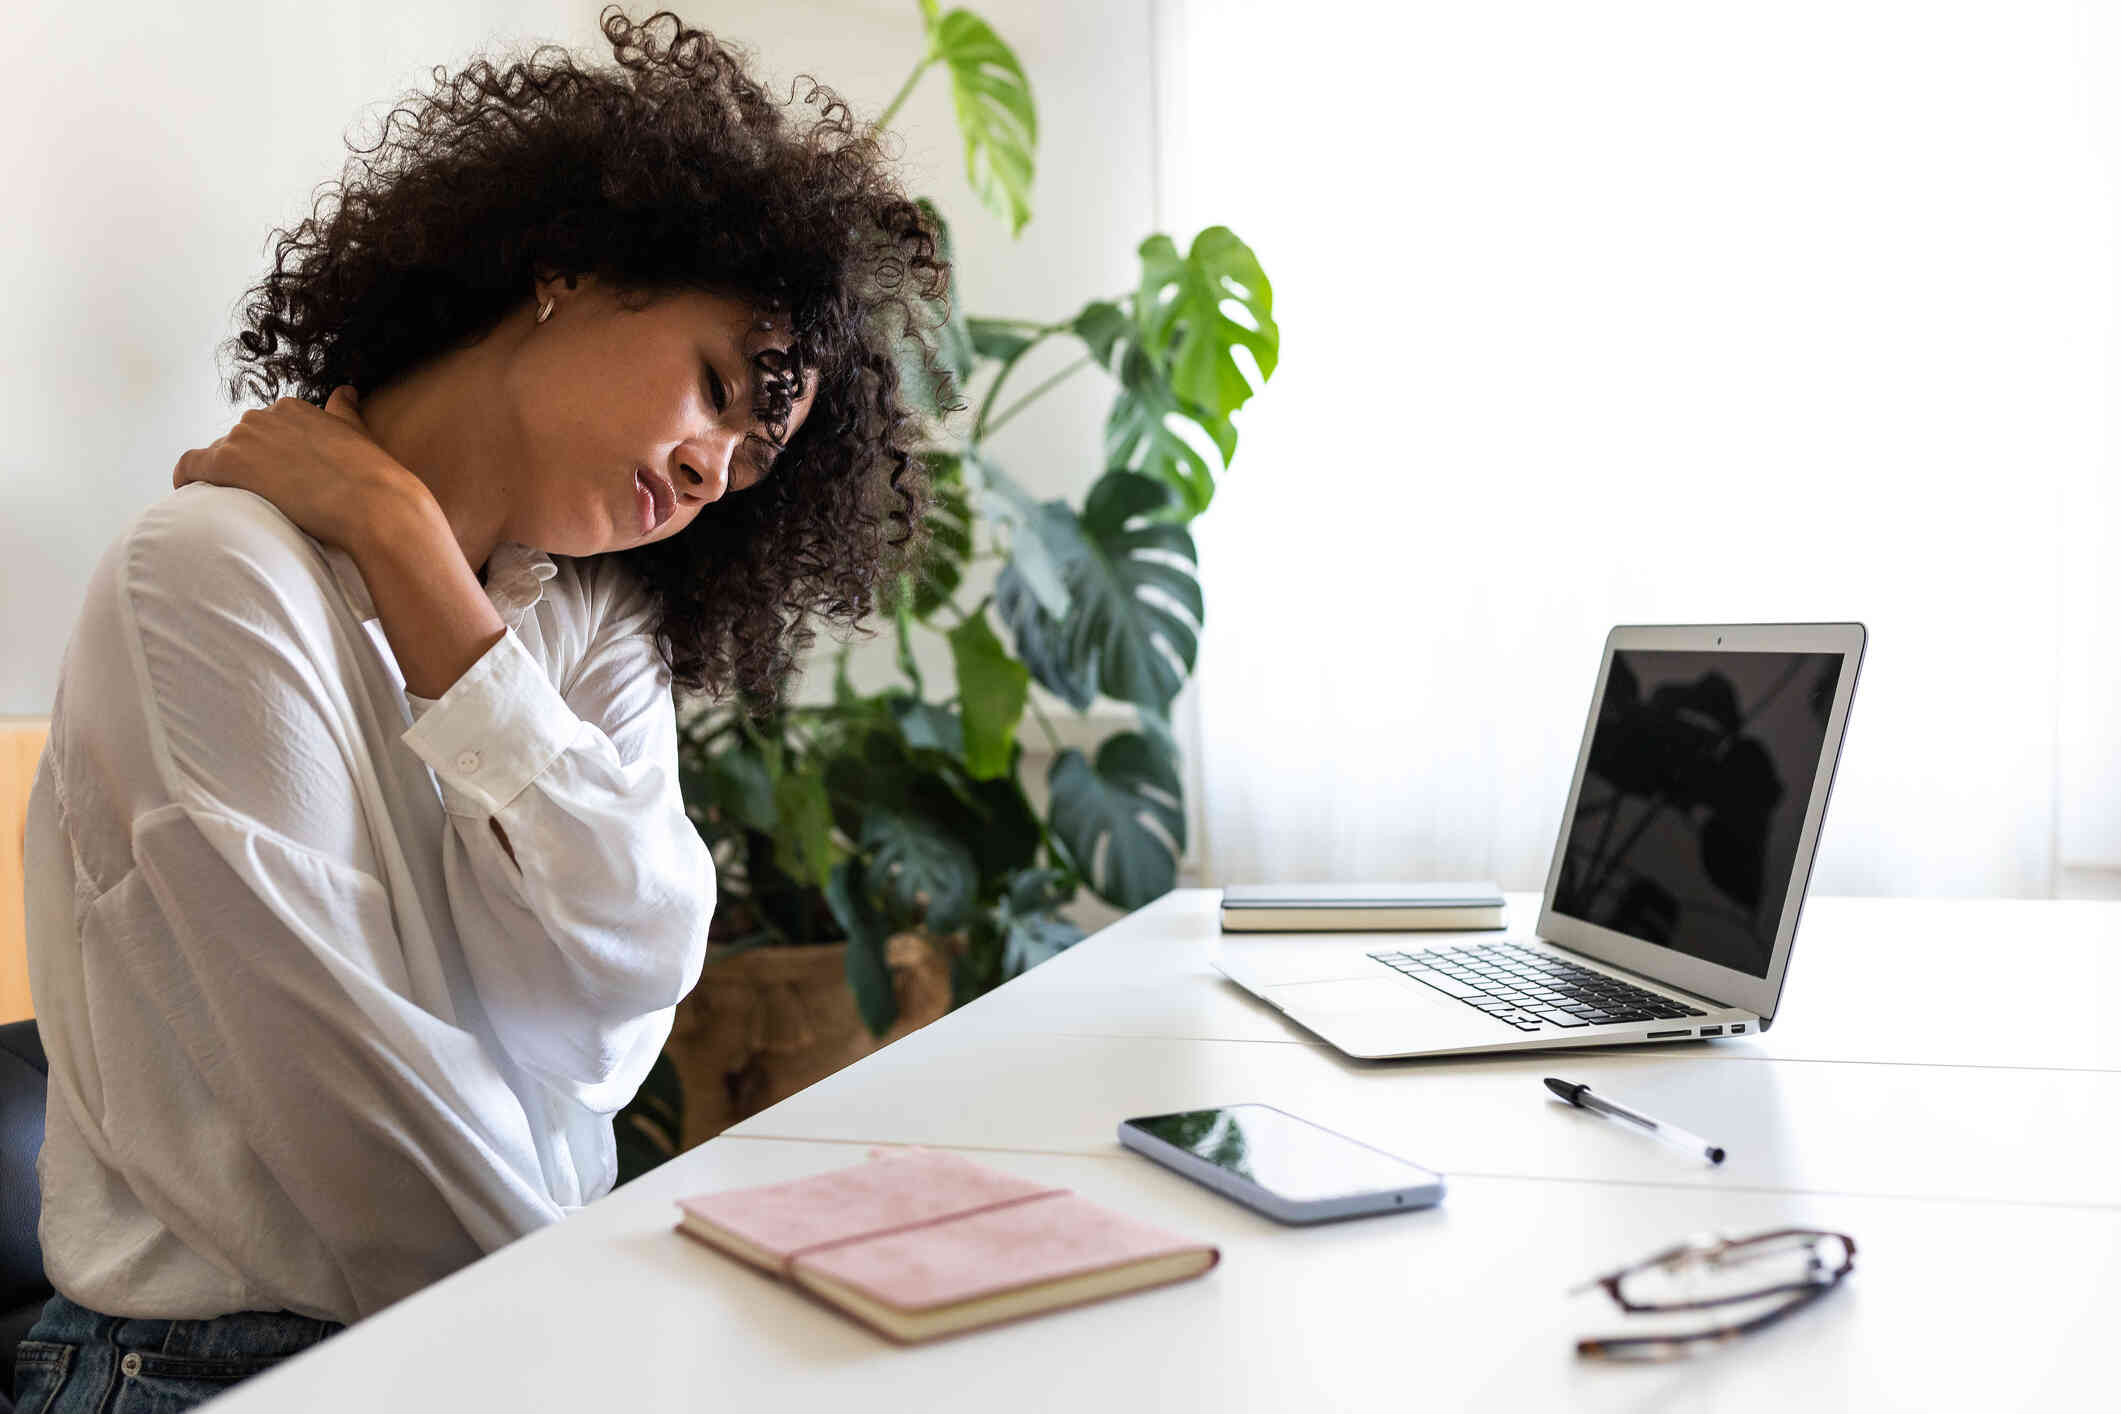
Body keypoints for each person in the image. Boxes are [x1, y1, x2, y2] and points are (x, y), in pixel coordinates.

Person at [13, 8, 950, 1410]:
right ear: (566, 271)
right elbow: (356, 1135)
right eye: (711, 387)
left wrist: (405, 546)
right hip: (213, 1366)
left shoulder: (588, 622)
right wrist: (613, 1338)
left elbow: (622, 982)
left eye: (745, 469)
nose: (707, 472)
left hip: (484, 1328)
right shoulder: (206, 578)